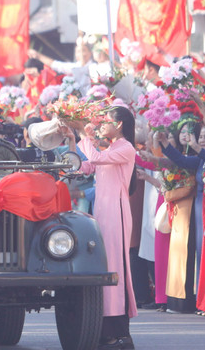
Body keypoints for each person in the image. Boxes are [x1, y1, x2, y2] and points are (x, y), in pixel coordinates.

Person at [67, 106, 138, 349]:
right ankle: (104, 327)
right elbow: (85, 166)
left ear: (119, 125)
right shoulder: (110, 149)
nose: (101, 126)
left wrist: (83, 134)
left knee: (115, 265)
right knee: (104, 264)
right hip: (102, 213)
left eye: (106, 122)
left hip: (116, 213)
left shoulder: (126, 148)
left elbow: (95, 158)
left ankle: (118, 329)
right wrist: (72, 140)